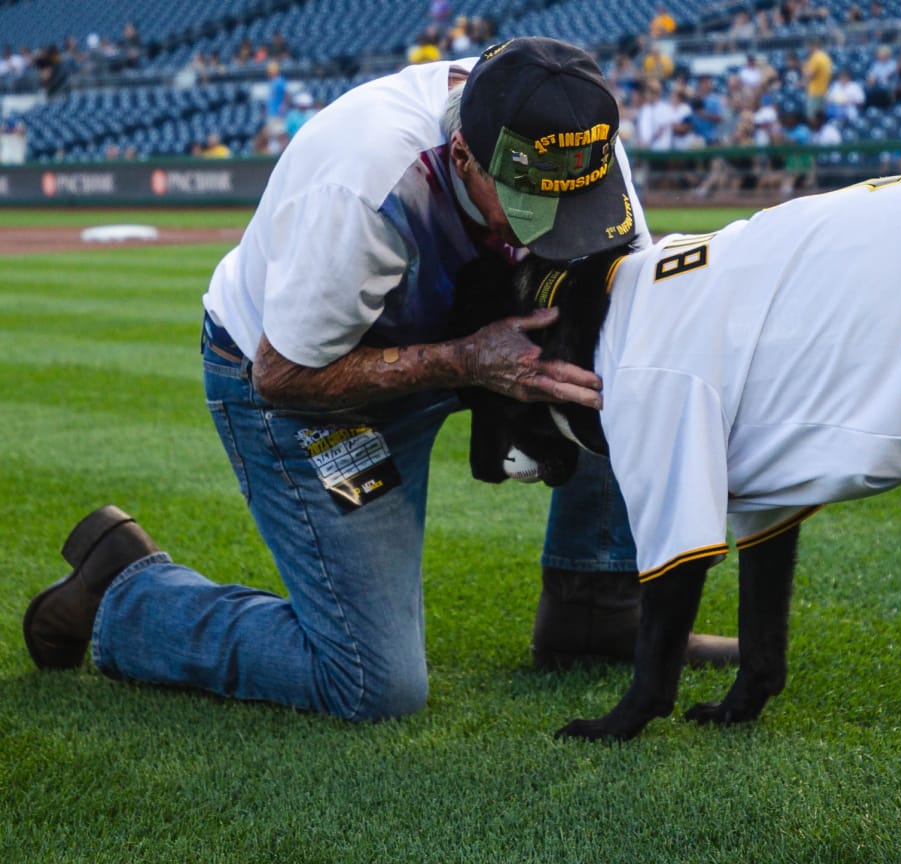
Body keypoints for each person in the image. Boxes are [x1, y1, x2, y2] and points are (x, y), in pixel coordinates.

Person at [21, 38, 734, 723]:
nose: (553, 231)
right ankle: (128, 591)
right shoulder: (363, 183)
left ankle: (594, 610)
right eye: (529, 207)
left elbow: (625, 305)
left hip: (458, 335)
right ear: (464, 156)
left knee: (614, 359)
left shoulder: (570, 132)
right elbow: (282, 374)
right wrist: (465, 362)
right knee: (370, 682)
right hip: (310, 384)